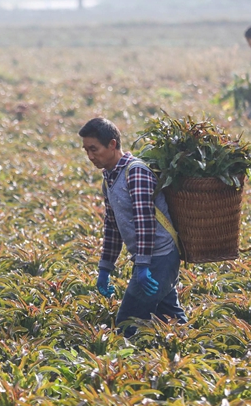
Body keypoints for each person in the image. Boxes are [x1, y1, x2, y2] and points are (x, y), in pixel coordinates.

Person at [80, 118, 187, 338]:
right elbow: (112, 227)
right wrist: (105, 268)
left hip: (160, 257)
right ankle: (201, 350)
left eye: (94, 149)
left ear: (112, 144)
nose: (90, 156)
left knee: (127, 321)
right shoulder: (109, 178)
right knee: (169, 317)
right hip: (150, 259)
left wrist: (143, 265)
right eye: (86, 150)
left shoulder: (135, 172)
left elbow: (144, 221)